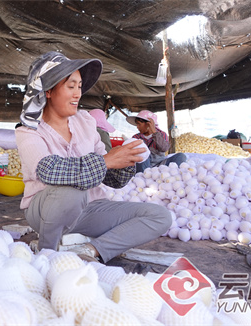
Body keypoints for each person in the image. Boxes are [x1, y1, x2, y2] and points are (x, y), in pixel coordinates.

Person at [16, 51, 171, 263]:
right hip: (46, 210)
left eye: (79, 87)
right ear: (49, 91)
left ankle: (91, 250)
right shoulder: (29, 130)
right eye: (71, 86)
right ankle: (47, 255)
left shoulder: (86, 122)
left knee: (159, 216)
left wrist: (126, 160)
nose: (77, 94)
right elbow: (48, 170)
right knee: (73, 190)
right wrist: (107, 160)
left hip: (90, 208)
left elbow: (110, 178)